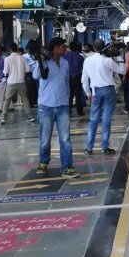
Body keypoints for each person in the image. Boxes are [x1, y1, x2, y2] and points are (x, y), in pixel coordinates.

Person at [33, 37, 79, 178]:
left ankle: (67, 166)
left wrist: (68, 101)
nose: (65, 49)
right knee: (45, 138)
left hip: (62, 105)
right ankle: (43, 161)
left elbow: (66, 83)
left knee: (65, 138)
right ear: (55, 48)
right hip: (46, 106)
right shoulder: (45, 62)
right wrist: (40, 60)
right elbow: (35, 76)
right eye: (62, 47)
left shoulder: (65, 63)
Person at [82, 38, 126, 155]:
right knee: (106, 119)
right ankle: (105, 147)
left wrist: (88, 94)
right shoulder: (107, 60)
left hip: (95, 91)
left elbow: (84, 80)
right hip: (109, 91)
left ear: (93, 47)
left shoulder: (87, 61)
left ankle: (89, 148)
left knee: (93, 119)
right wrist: (118, 56)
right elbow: (123, 71)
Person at [0, 43, 33, 124]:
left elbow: (5, 71)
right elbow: (28, 69)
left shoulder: (7, 59)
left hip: (11, 82)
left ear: (10, 49)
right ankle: (30, 116)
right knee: (25, 99)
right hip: (21, 81)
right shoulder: (23, 58)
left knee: (7, 99)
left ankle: (3, 117)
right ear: (17, 49)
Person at [65, 41, 85, 116]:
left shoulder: (65, 56)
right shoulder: (80, 57)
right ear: (77, 48)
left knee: (69, 95)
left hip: (68, 78)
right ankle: (80, 111)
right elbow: (82, 68)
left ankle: (68, 112)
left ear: (69, 47)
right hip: (77, 77)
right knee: (78, 95)